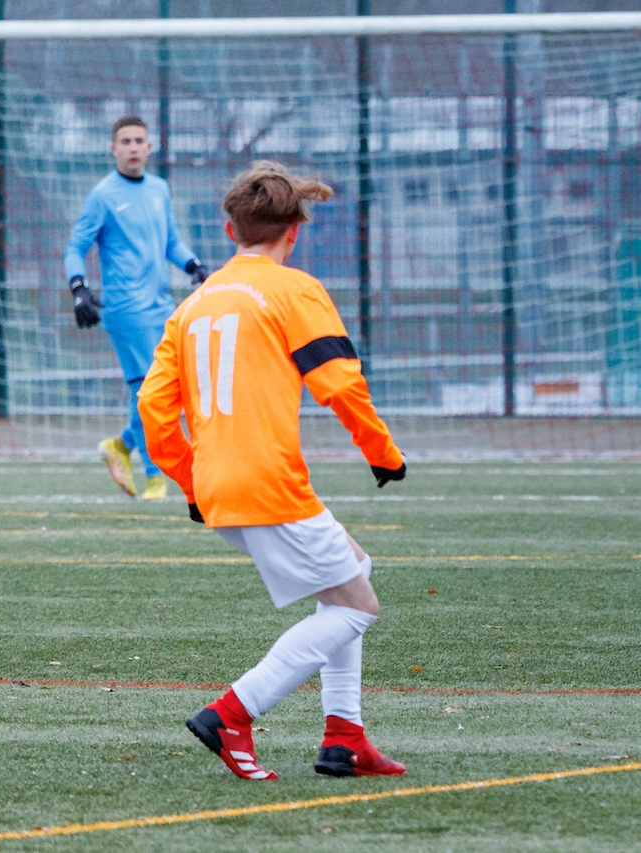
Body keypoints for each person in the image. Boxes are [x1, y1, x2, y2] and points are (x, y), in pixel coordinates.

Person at [138, 161, 409, 780]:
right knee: (358, 606)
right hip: (268, 483)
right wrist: (382, 453)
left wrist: (191, 483)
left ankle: (344, 737)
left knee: (352, 569)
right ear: (295, 232)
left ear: (229, 232)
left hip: (217, 485)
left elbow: (154, 409)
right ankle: (232, 712)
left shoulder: (192, 305)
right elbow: (339, 383)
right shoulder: (295, 290)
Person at [64, 116, 209, 501]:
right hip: (126, 310)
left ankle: (122, 445)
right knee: (149, 391)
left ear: (149, 147)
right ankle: (155, 477)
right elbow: (76, 247)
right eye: (125, 141)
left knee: (166, 389)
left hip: (162, 306)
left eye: (138, 140)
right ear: (114, 149)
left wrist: (194, 266)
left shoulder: (160, 189)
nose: (132, 147)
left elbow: (171, 241)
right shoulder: (102, 196)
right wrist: (79, 288)